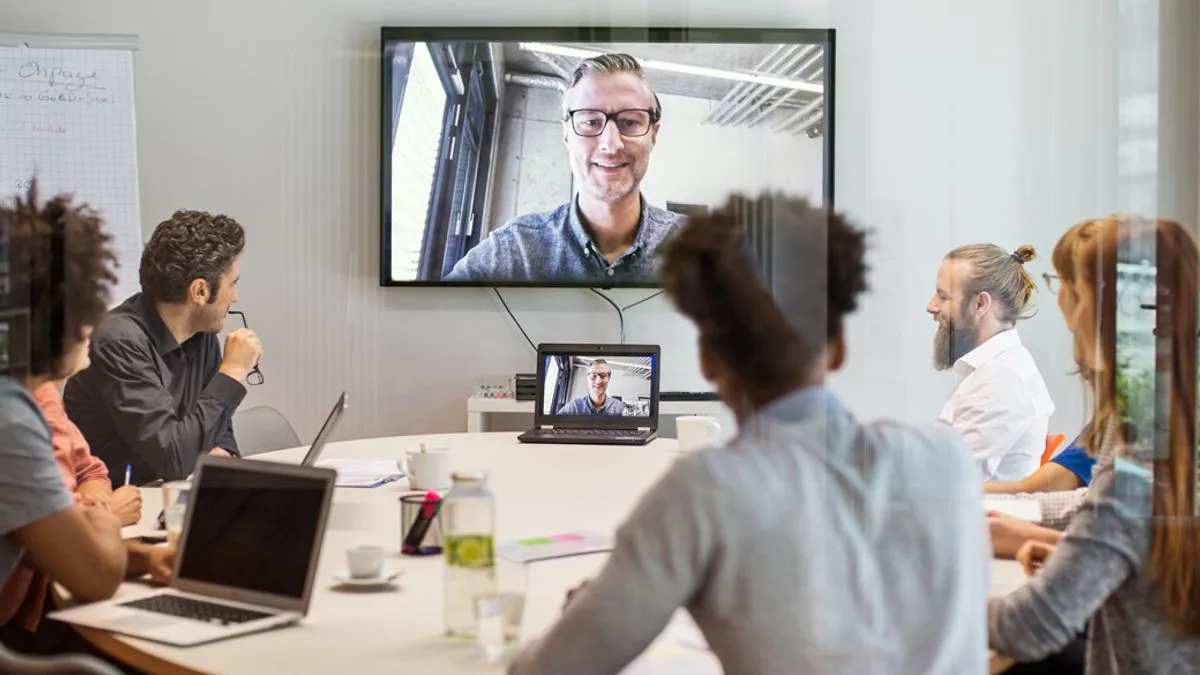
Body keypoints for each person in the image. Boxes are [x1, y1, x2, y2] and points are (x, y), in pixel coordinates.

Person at [508, 194, 988, 675]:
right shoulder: (947, 457)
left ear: (708, 360)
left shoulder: (702, 494)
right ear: (839, 347)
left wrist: (580, 617)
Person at [989, 215, 1200, 672]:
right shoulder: (1160, 412)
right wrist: (1071, 550)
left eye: (1065, 284)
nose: (1060, 301)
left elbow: (1030, 625)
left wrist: (905, 601)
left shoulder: (1147, 443)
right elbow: (1127, 524)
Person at [0, 181, 175, 654]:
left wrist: (139, 557)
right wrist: (99, 518)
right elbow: (95, 578)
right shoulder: (10, 416)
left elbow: (37, 541)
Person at [442, 53, 685, 284]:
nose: (611, 145)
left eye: (630, 122)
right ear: (566, 134)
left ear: (653, 135)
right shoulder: (515, 252)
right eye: (590, 121)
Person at [64, 209, 263, 483]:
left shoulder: (200, 331)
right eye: (232, 284)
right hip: (115, 500)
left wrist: (223, 450)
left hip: (167, 492)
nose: (236, 297)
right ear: (200, 291)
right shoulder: (120, 341)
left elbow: (214, 418)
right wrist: (232, 371)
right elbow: (172, 459)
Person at [928, 243, 1054, 481]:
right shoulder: (990, 370)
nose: (931, 306)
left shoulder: (1002, 378)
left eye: (943, 296)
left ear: (980, 304)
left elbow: (946, 480)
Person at [555, 359, 623, 416]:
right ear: (587, 378)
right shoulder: (573, 407)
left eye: (603, 375)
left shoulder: (620, 408)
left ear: (609, 378)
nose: (598, 381)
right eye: (593, 376)